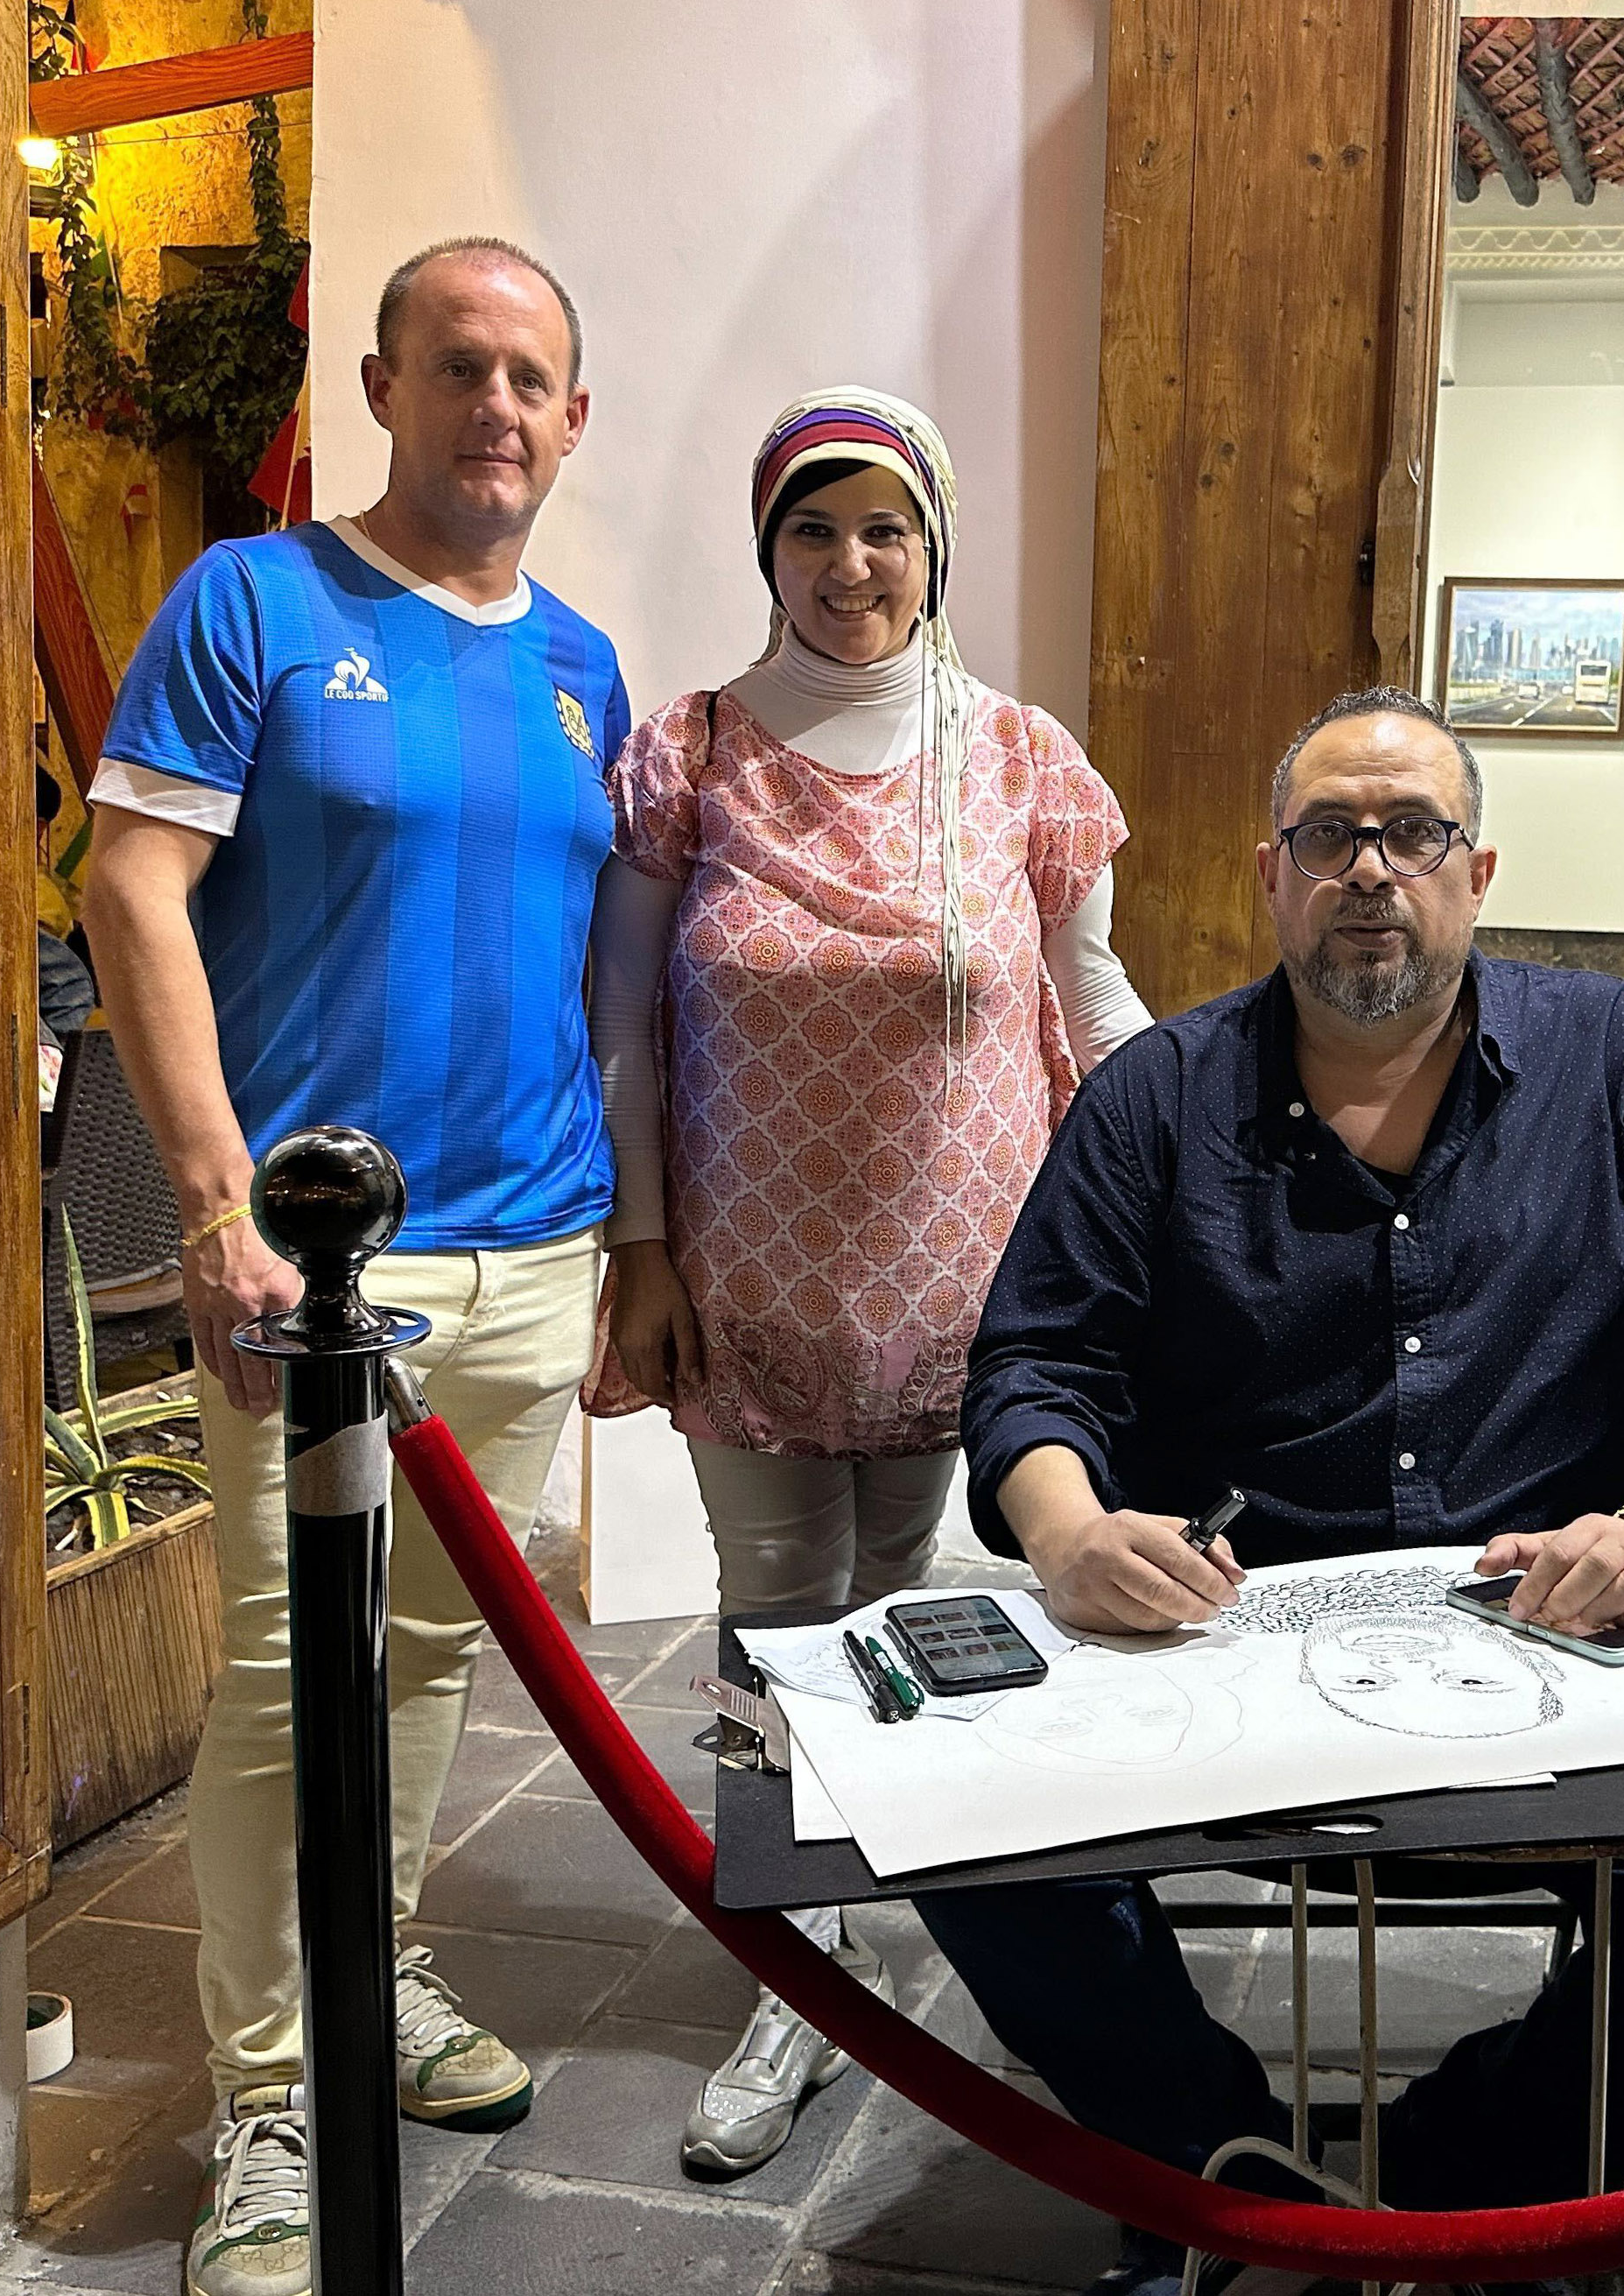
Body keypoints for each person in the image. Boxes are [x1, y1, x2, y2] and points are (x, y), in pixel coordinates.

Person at [949, 686, 1624, 2295]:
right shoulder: (1154, 1097)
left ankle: (1479, 2171)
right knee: (961, 1836)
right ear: (1272, 873)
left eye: (1411, 833)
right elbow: (1034, 1365)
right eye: (1331, 834)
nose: (1370, 867)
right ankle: (1219, 2176)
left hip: (1563, 1614)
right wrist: (1065, 1531)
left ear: (1475, 869)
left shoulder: (1618, 1056)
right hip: (1226, 1632)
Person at [79, 236, 626, 2296]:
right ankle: (271, 2096)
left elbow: (601, 969)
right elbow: (133, 890)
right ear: (383, 384)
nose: (495, 405)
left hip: (534, 1240)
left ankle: (373, 1971)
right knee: (272, 1676)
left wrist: (628, 1245)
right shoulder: (251, 605)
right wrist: (215, 1209)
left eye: (532, 378)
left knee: (422, 1656)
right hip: (317, 1281)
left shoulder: (582, 660)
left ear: (578, 421)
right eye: (458, 365)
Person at [587, 385, 1151, 2177]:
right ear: (768, 549)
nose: (851, 563)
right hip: (743, 1277)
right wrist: (643, 1245)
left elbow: (1093, 1000)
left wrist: (1217, 1141)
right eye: (814, 528)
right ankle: (799, 1966)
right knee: (767, 1615)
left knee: (900, 1607)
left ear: (934, 547)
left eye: (884, 526)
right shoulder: (691, 751)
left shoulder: (1020, 757)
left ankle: (865, 1918)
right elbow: (621, 1027)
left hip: (958, 1279)